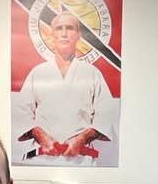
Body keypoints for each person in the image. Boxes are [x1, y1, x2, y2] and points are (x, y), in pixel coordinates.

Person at [13, 11, 116, 165]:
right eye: (59, 28)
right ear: (52, 34)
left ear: (78, 35)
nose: (64, 33)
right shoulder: (38, 72)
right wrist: (40, 135)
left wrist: (82, 138)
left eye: (70, 28)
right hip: (41, 158)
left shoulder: (92, 73)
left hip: (81, 160)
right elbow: (21, 111)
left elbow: (106, 113)